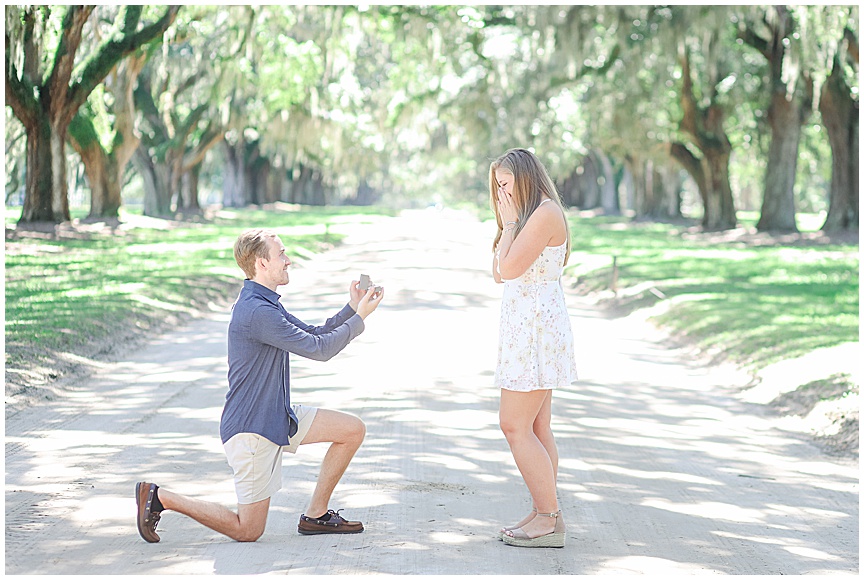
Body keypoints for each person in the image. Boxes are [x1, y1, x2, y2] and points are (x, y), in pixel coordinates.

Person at [135, 228, 384, 543]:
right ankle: (160, 497)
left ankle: (316, 515)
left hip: (277, 416)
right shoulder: (257, 312)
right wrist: (360, 318)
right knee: (248, 530)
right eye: (281, 254)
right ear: (261, 263)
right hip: (252, 429)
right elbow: (319, 350)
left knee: (352, 430)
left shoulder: (264, 302)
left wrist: (352, 308)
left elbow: (315, 333)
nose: (288, 260)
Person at [490, 148, 577, 548]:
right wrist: (508, 225)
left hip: (536, 333)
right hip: (529, 329)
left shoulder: (543, 214)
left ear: (525, 178)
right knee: (537, 426)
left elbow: (507, 269)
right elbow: (498, 273)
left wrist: (508, 225)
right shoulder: (528, 217)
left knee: (514, 425)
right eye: (498, 187)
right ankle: (546, 513)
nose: (502, 194)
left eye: (505, 185)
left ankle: (547, 516)